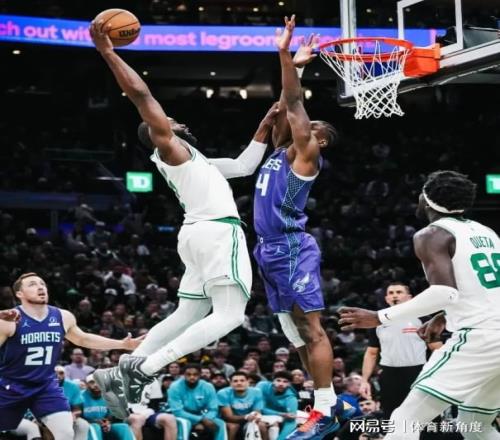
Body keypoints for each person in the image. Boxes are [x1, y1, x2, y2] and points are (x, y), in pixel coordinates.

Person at [89, 20, 279, 417]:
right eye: (171, 122)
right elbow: (141, 95)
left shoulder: (198, 162)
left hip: (195, 235)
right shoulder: (171, 150)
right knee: (231, 315)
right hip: (216, 232)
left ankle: (123, 370)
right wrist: (107, 52)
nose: (179, 123)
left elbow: (244, 166)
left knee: (190, 312)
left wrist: (265, 124)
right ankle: (145, 369)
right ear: (160, 131)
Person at [339, 171, 500, 440]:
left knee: (404, 422)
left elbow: (444, 292)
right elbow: (486, 290)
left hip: (480, 339)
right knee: (475, 423)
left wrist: (379, 316)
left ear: (426, 199)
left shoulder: (432, 234)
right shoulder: (487, 232)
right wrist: (443, 316)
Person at [253, 16, 351, 440]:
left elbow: (294, 104)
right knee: (295, 336)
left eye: (313, 127)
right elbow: (283, 107)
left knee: (311, 330)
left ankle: (325, 408)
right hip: (267, 248)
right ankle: (327, 403)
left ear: (320, 141)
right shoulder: (281, 149)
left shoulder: (306, 155)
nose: (305, 126)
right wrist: (296, 66)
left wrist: (285, 55)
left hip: (292, 247)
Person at [0, 273, 142, 440]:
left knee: (66, 433)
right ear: (19, 294)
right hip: (11, 385)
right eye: (32, 284)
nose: (40, 287)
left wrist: (123, 344)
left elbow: (83, 339)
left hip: (45, 386)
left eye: (42, 284)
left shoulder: (62, 316)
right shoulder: (9, 319)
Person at [361, 283, 428, 419]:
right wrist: (364, 380)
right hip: (389, 374)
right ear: (387, 299)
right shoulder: (377, 322)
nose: (395, 295)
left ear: (409, 297)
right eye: (391, 293)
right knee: (391, 415)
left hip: (419, 372)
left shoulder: (423, 319)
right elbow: (371, 353)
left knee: (424, 414)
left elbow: (437, 348)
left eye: (399, 292)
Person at [168, 364, 226, 440]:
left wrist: (206, 419)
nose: (192, 377)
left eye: (195, 374)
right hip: (181, 416)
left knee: (221, 423)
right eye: (188, 374)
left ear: (200, 375)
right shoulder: (175, 387)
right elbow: (177, 411)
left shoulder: (208, 386)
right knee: (185, 423)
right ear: (183, 375)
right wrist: (201, 420)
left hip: (202, 415)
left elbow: (213, 408)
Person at [81, 374, 135, 440]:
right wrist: (94, 421)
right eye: (92, 382)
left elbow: (112, 415)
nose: (96, 385)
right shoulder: (81, 396)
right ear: (86, 384)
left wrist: (108, 422)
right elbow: (78, 417)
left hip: (105, 425)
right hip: (89, 425)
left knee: (124, 427)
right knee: (95, 427)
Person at [217, 371, 267, 440]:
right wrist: (246, 417)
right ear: (230, 383)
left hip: (249, 420)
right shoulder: (223, 393)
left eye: (242, 380)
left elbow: (257, 412)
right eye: (235, 381)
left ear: (248, 382)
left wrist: (254, 416)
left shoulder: (257, 392)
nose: (239, 383)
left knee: (261, 425)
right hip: (230, 421)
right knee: (234, 427)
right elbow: (228, 416)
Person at [257, 371, 298, 440]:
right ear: (273, 381)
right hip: (259, 414)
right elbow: (260, 408)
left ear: (289, 384)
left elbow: (291, 421)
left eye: (285, 382)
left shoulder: (292, 398)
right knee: (261, 425)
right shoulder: (262, 386)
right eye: (278, 380)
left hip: (279, 418)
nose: (281, 384)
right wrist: (282, 414)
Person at [55, 365, 90, 440]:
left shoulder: (72, 386)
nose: (58, 376)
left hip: (68, 416)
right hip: (48, 417)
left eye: (61, 373)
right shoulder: (44, 386)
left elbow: (77, 409)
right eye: (55, 373)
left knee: (83, 424)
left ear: (65, 374)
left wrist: (73, 415)